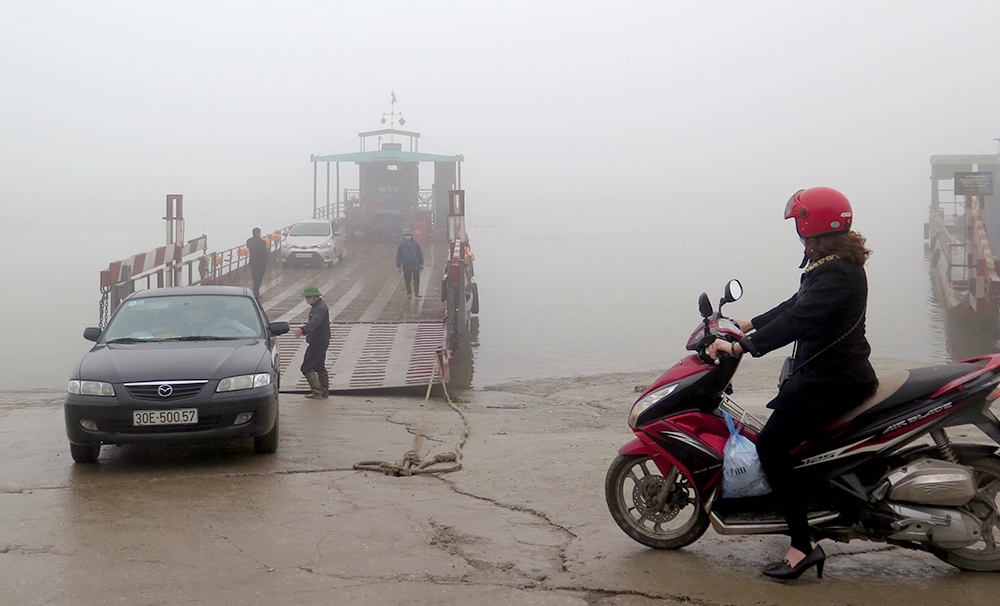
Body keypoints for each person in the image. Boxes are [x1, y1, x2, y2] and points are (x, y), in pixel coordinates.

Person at [707, 186, 878, 581]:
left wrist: (743, 347)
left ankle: (803, 545)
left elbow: (799, 320)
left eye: (799, 226)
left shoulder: (836, 272)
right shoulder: (836, 266)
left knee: (771, 446)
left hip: (831, 380)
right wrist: (748, 324)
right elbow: (795, 306)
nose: (797, 234)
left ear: (810, 226)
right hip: (828, 374)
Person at [294, 285, 330, 399]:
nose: (307, 299)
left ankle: (316, 391)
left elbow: (315, 322)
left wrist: (303, 329)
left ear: (315, 296)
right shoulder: (318, 306)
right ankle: (324, 391)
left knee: (306, 367)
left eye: (308, 297)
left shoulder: (320, 308)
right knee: (319, 366)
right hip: (321, 340)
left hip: (318, 342)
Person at [396, 228, 424, 298]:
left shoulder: (416, 244)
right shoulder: (401, 246)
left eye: (409, 235)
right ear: (404, 236)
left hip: (415, 265)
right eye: (406, 235)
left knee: (416, 279)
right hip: (406, 265)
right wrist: (398, 266)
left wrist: (421, 263)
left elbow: (420, 254)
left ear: (411, 236)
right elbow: (399, 256)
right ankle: (409, 293)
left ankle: (417, 292)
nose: (407, 236)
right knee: (407, 280)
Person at [246, 227, 269, 298]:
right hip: (261, 262)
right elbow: (264, 252)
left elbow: (249, 248)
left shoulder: (249, 241)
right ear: (259, 233)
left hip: (252, 261)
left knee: (254, 276)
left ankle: (256, 291)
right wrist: (266, 261)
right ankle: (255, 292)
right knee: (259, 278)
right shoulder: (262, 242)